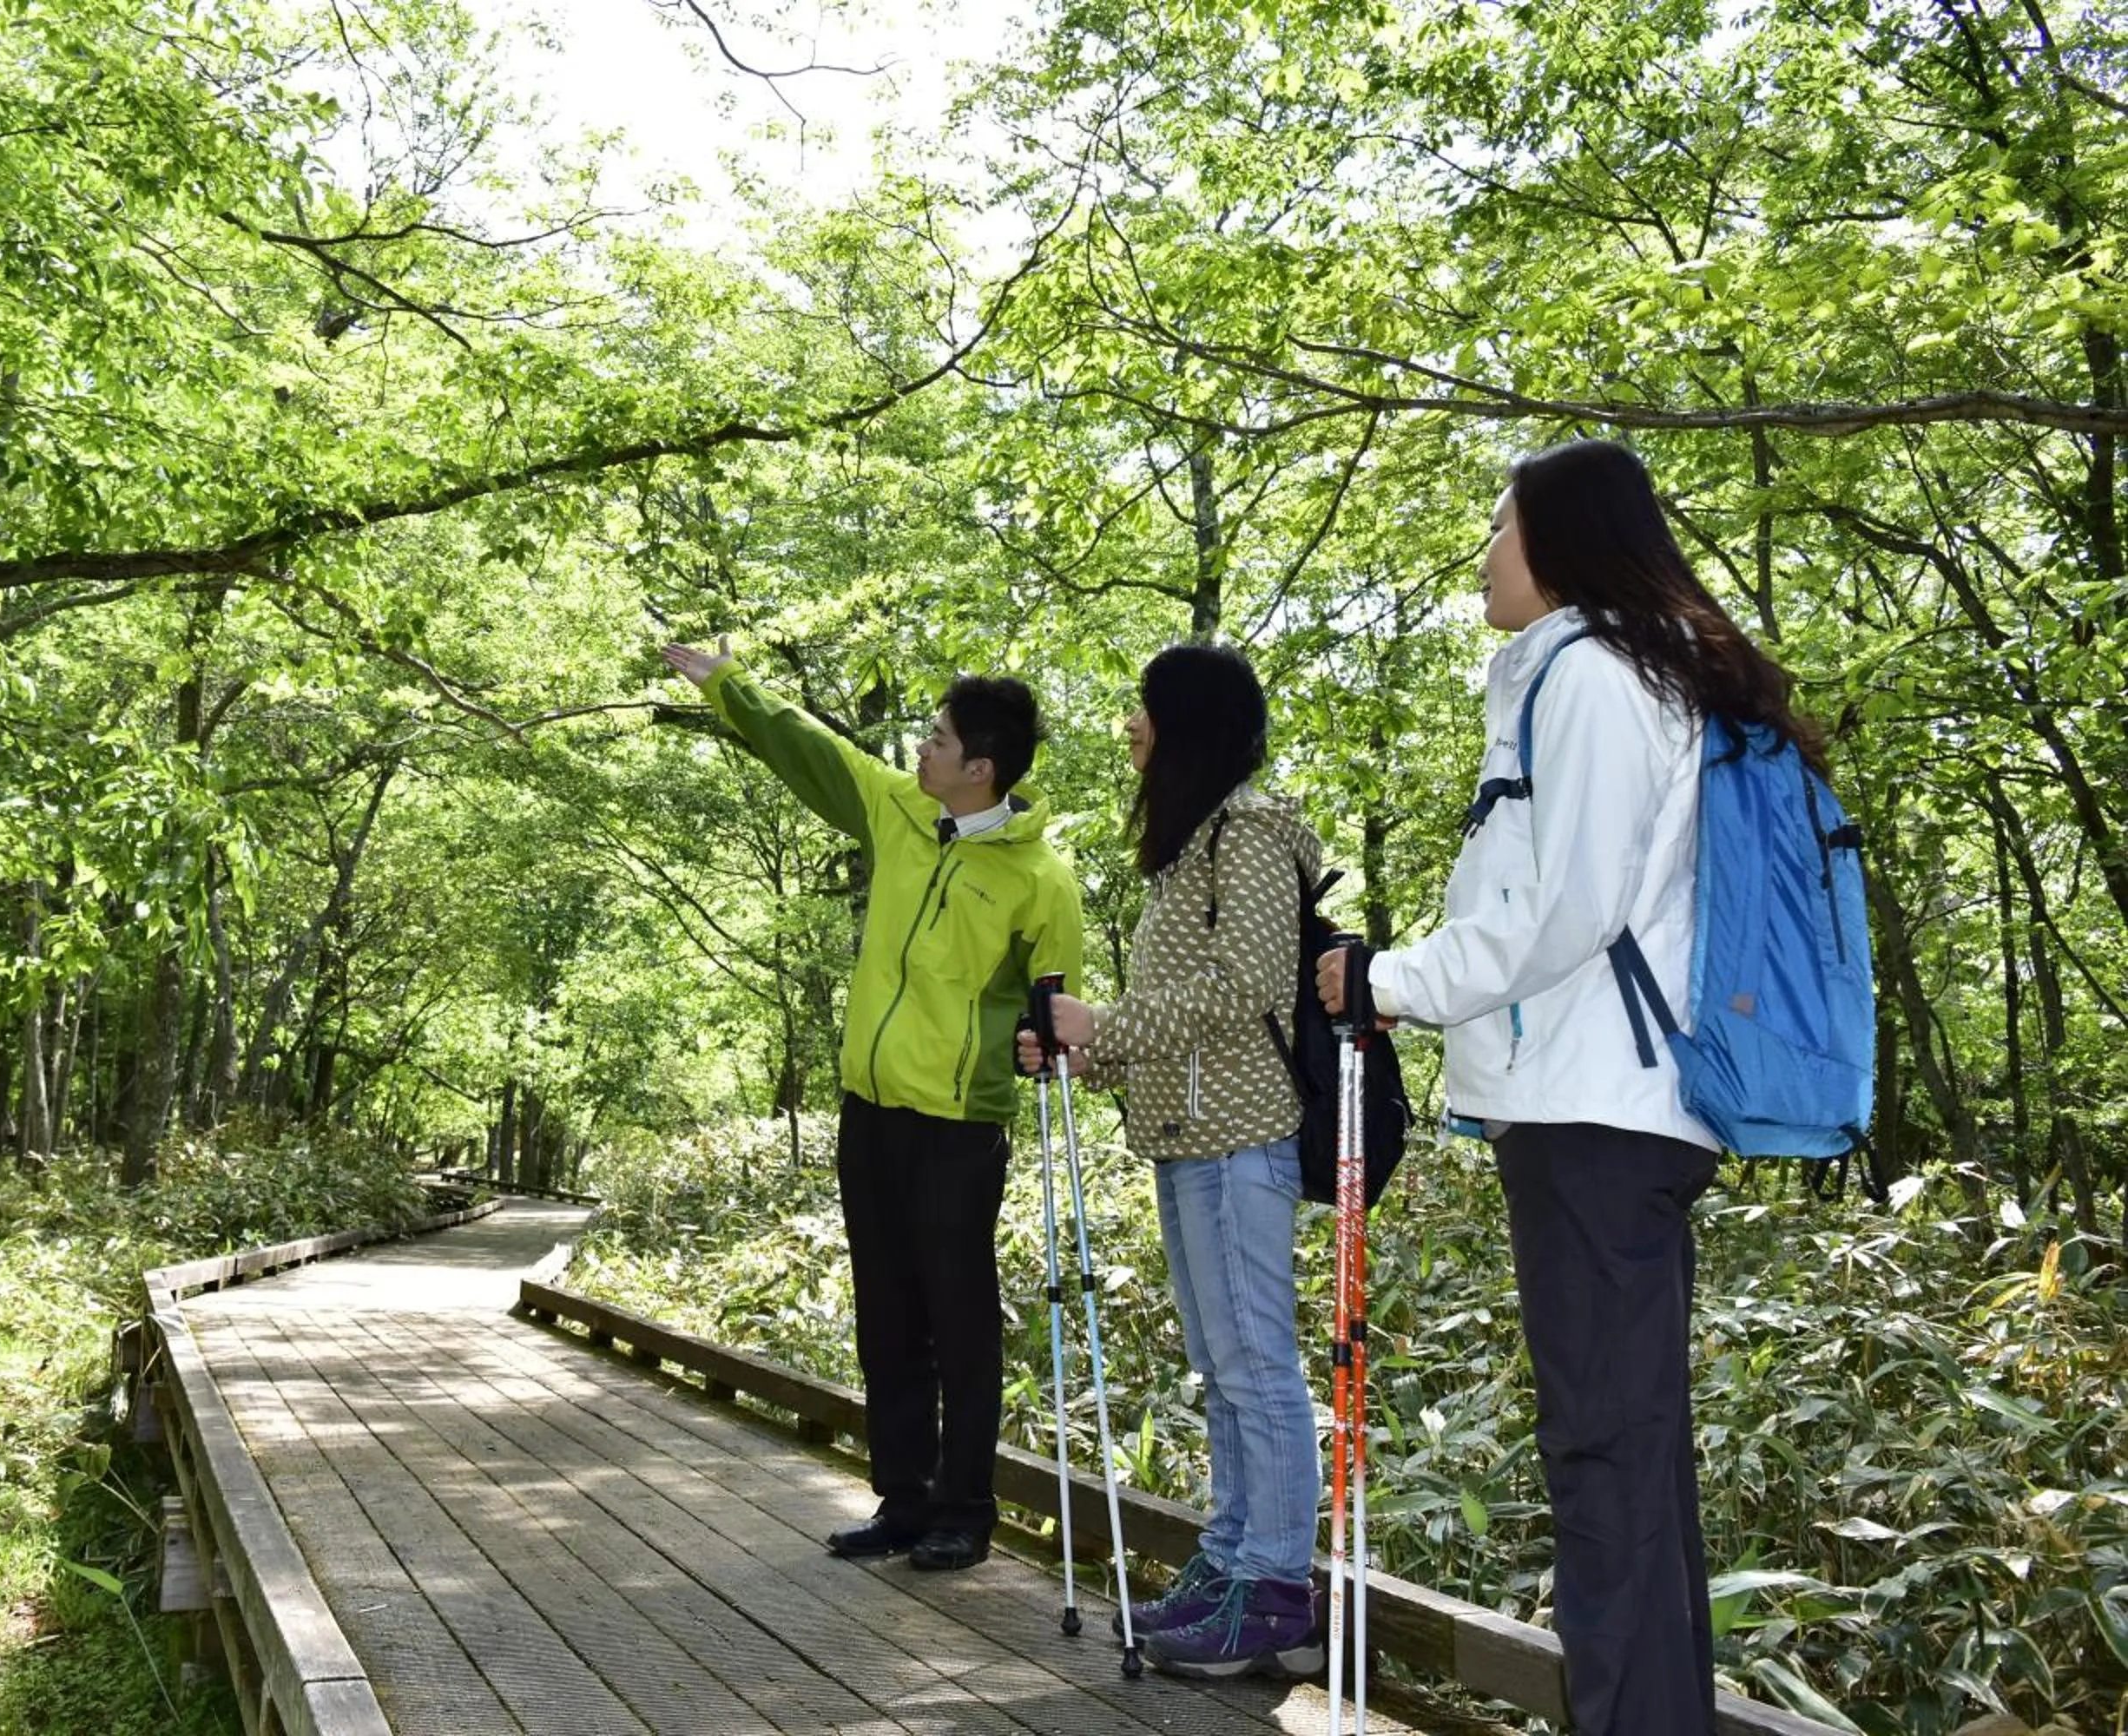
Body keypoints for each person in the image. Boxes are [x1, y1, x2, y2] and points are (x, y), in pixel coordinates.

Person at [1316, 439, 1829, 1734]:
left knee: (1605, 1454)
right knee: (1625, 1453)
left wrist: (1392, 979)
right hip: (1600, 1110)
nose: (1484, 553)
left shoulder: (1596, 676)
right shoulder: (1614, 672)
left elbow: (1567, 907)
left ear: (1560, 539)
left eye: (1500, 526)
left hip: (1599, 1111)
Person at [661, 636, 1084, 1572]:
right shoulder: (898, 808)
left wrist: (1040, 1043)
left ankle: (964, 1510)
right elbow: (809, 748)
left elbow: (1057, 1011)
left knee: (958, 1322)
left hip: (959, 1127)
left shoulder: (1042, 882)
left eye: (939, 740)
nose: (921, 749)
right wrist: (728, 686)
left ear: (980, 768)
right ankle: (903, 1498)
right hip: (871, 1109)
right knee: (887, 1314)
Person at [1015, 642, 1326, 1680]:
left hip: (1241, 1136)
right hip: (1191, 1136)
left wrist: (1104, 1023)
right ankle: (1234, 1561)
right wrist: (1085, 1049)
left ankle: (1275, 1589)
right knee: (1225, 1363)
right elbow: (1178, 1013)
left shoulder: (1251, 832)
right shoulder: (1197, 842)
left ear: (1188, 720)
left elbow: (1248, 987)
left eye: (1144, 707)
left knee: (1255, 1364)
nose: (1130, 725)